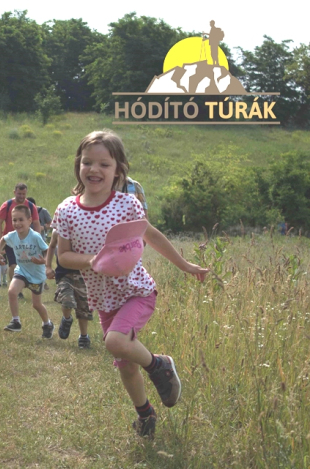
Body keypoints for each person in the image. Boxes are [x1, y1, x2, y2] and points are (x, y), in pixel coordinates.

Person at [52, 129, 208, 439]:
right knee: (125, 365)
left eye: (104, 164)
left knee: (114, 342)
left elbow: (152, 236)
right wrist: (92, 260)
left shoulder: (126, 204)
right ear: (78, 165)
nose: (94, 169)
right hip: (103, 298)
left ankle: (160, 366)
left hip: (136, 291)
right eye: (87, 162)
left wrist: (186, 265)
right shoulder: (66, 210)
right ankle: (146, 415)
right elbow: (65, 257)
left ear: (118, 170)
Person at [0, 205, 54, 339]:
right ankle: (16, 321)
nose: (17, 223)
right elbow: (3, 239)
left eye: (20, 220)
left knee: (36, 305)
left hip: (36, 275)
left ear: (29, 220)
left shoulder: (35, 236)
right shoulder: (13, 236)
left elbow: (47, 251)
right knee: (12, 291)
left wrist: (43, 261)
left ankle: (47, 324)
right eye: (14, 220)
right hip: (22, 271)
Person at [46, 229, 93, 348]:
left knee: (83, 307)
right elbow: (51, 247)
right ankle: (67, 319)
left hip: (84, 274)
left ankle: (84, 336)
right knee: (67, 301)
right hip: (64, 275)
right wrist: (48, 266)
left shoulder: (87, 228)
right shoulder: (58, 232)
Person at [0, 183, 41, 289]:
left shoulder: (30, 206)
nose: (21, 196)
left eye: (23, 194)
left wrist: (37, 239)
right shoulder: (7, 205)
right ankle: (15, 288)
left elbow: (36, 223)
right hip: (11, 240)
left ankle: (29, 283)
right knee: (13, 264)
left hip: (27, 241)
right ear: (14, 192)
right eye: (19, 194)